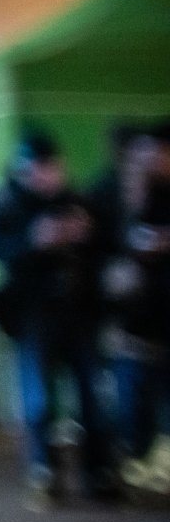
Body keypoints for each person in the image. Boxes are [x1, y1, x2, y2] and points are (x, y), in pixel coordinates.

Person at [0, 131, 116, 505]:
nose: (46, 175)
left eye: (51, 166)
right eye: (38, 168)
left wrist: (85, 235)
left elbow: (104, 246)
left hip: (79, 311)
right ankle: (44, 472)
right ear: (24, 170)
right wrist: (33, 240)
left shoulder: (78, 201)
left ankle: (99, 474)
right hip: (33, 315)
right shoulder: (6, 204)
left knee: (91, 395)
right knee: (38, 398)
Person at [100, 123, 170, 489]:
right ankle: (135, 458)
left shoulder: (159, 196)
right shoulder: (107, 196)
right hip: (130, 318)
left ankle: (153, 457)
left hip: (156, 313)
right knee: (132, 391)